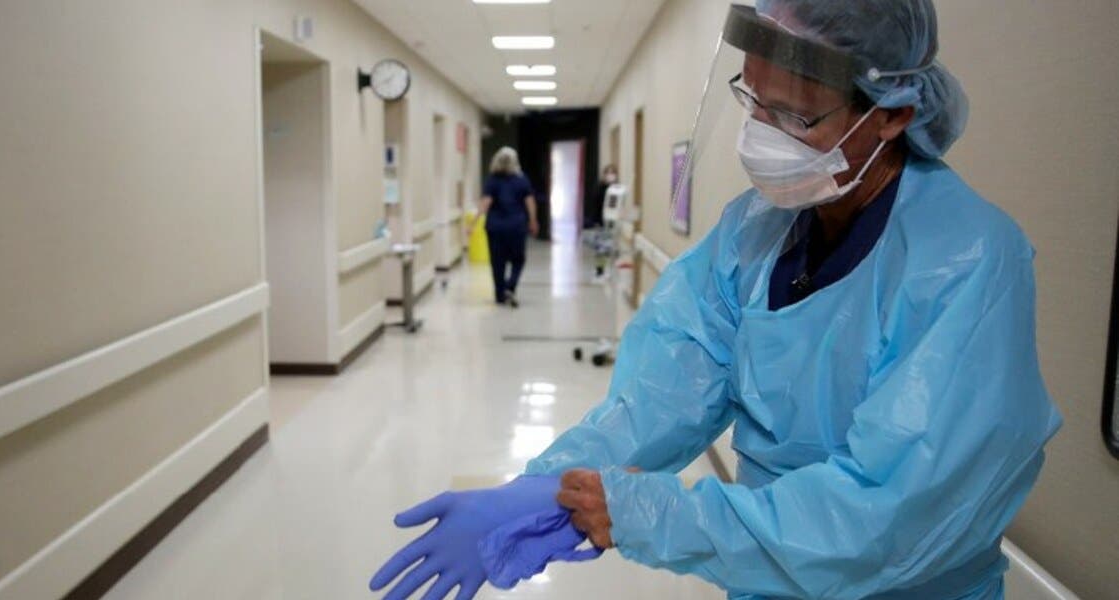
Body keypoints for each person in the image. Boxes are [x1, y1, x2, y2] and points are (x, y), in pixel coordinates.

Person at [373, 2, 1062, 599]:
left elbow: (885, 519)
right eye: (753, 101)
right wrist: (543, 490)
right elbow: (667, 392)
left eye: (792, 115)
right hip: (767, 580)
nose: (761, 133)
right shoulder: (756, 232)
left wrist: (651, 515)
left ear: (892, 115)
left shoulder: (968, 262)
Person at [473, 147, 538, 308]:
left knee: (497, 262)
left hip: (495, 227)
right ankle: (510, 286)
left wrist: (473, 223)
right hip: (516, 226)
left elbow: (485, 203)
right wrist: (533, 221)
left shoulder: (492, 180)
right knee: (518, 259)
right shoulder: (522, 180)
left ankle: (499, 295)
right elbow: (529, 202)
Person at [585, 164, 619, 229]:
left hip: (614, 220)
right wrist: (596, 222)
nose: (610, 176)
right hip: (600, 220)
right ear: (604, 175)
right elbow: (595, 206)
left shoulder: (618, 189)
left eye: (612, 173)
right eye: (608, 173)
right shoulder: (600, 189)